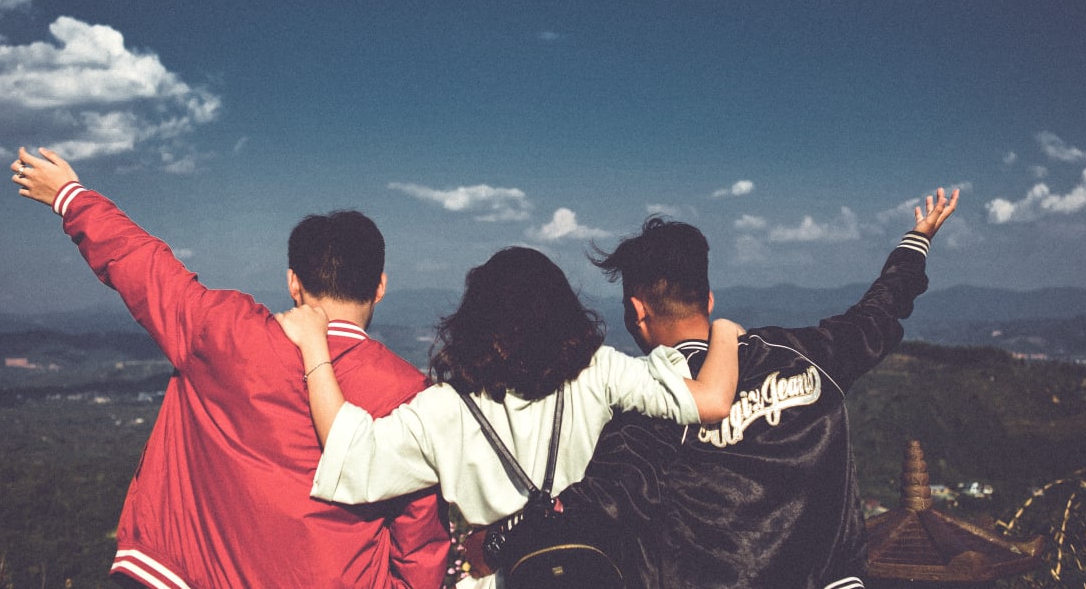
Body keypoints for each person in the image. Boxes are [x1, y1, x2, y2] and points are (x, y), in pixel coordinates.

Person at [10, 147, 449, 589]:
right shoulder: (412, 397)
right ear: (380, 287)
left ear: (293, 282)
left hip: (176, 575)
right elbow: (419, 544)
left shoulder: (222, 332)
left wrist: (69, 195)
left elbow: (141, 263)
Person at [555, 187, 959, 589]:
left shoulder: (650, 403)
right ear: (708, 301)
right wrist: (917, 240)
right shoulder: (807, 356)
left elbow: (598, 511)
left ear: (634, 311)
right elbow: (880, 310)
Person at [276, 246, 744, 586]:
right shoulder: (600, 371)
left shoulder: (444, 409)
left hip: (502, 575)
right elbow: (711, 401)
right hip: (593, 571)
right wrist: (722, 327)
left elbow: (351, 457)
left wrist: (315, 344)